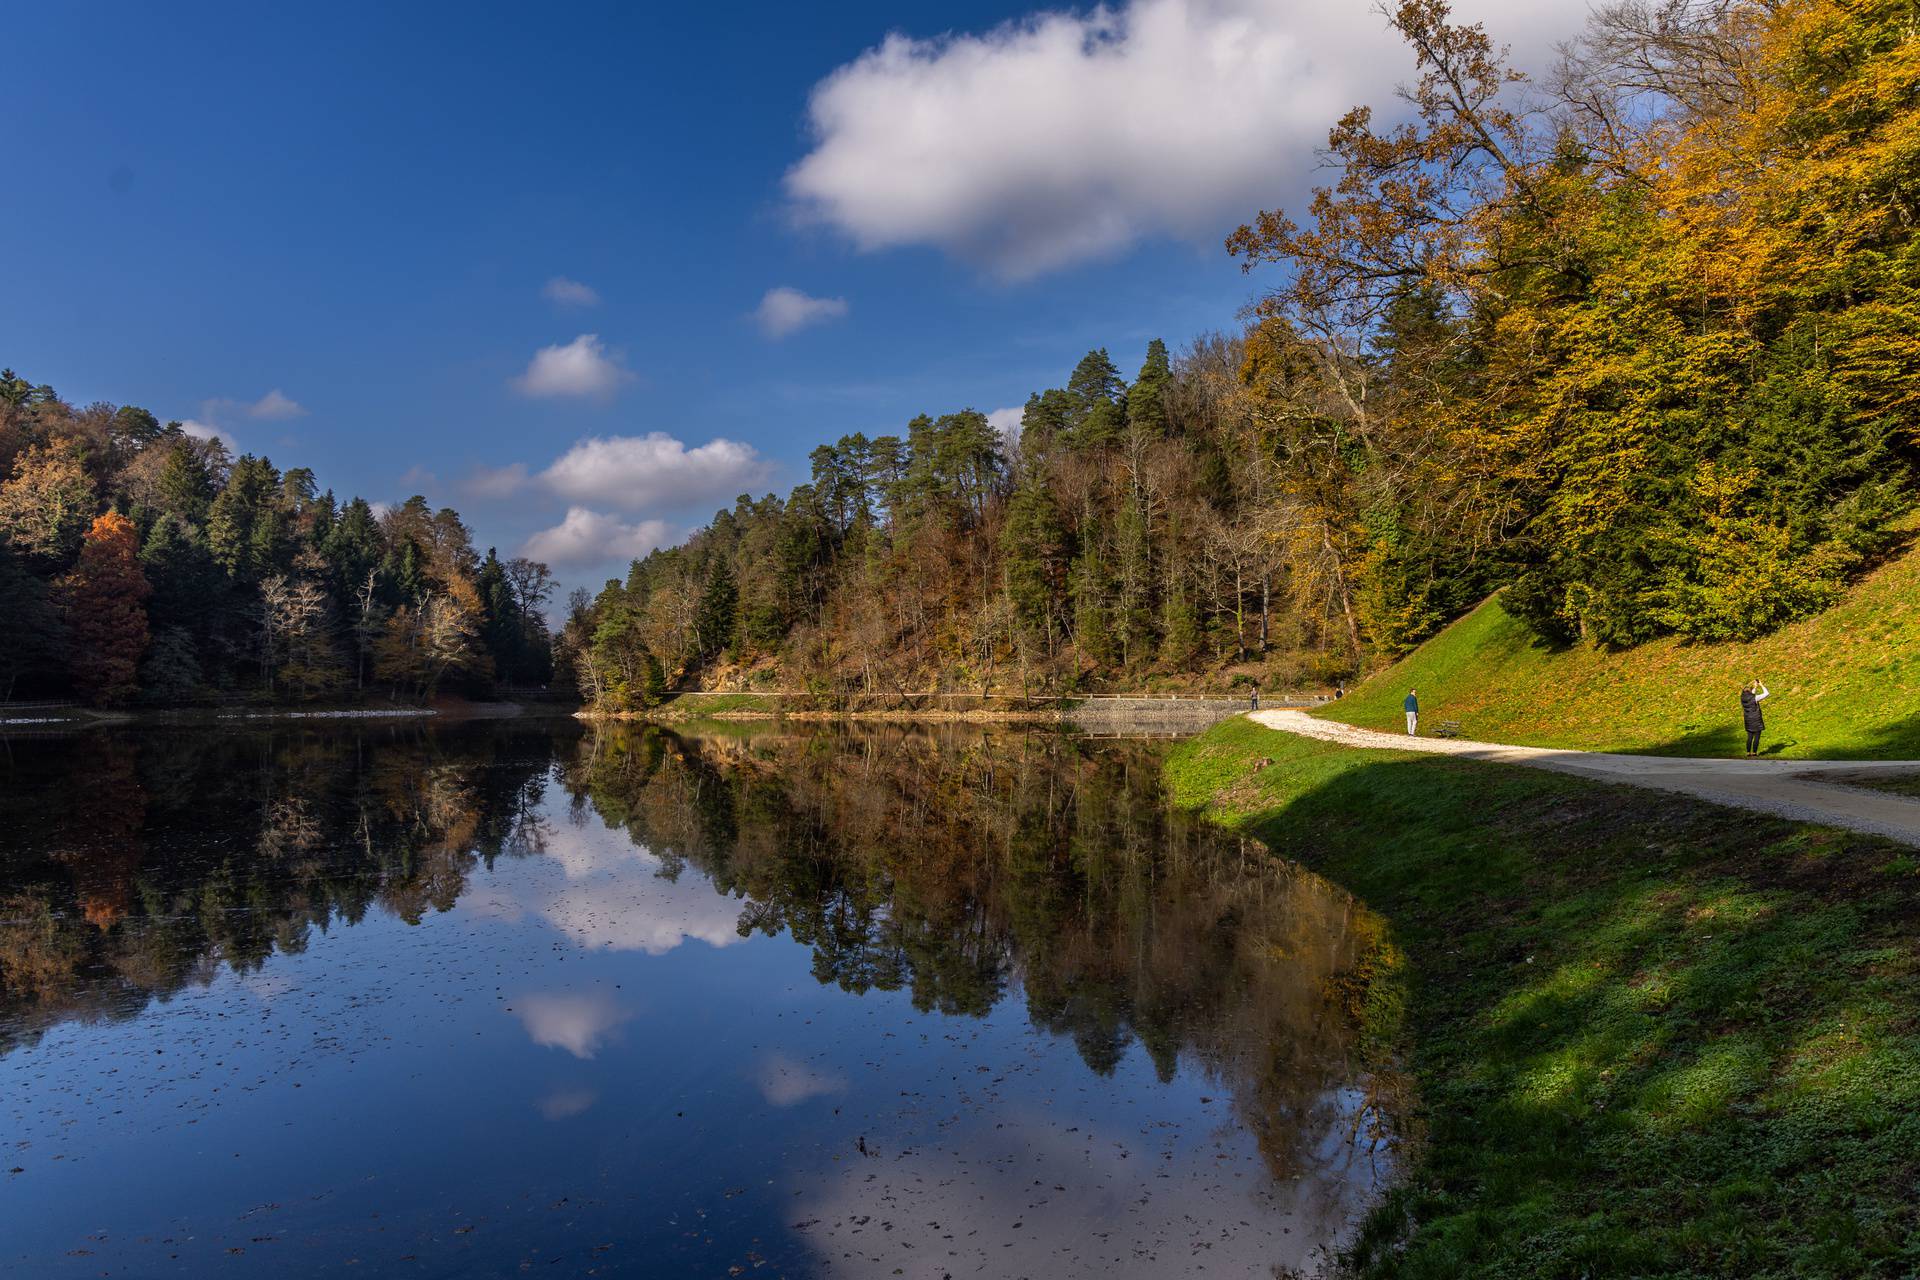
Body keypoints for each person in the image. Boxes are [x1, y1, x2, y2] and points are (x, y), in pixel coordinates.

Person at [1740, 678, 1771, 757]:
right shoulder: (1755, 698)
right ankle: (1754, 752)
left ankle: (1748, 752)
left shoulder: (1743, 698)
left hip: (1748, 720)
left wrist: (1755, 687)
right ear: (1750, 691)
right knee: (1757, 736)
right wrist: (1761, 685)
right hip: (1756, 719)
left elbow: (1751, 694)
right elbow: (1766, 693)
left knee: (1749, 737)